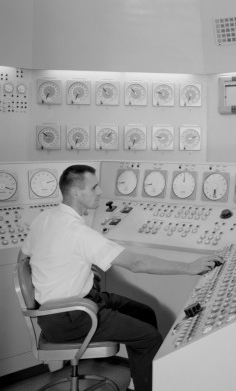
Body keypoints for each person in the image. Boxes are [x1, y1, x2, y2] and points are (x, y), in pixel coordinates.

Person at [20, 164, 223, 391]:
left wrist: (63, 272)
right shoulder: (77, 232)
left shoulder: (45, 218)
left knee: (145, 313)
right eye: (94, 187)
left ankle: (139, 381)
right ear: (76, 192)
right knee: (150, 338)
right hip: (72, 315)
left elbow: (23, 259)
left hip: (65, 308)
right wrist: (188, 268)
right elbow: (136, 263)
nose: (99, 192)